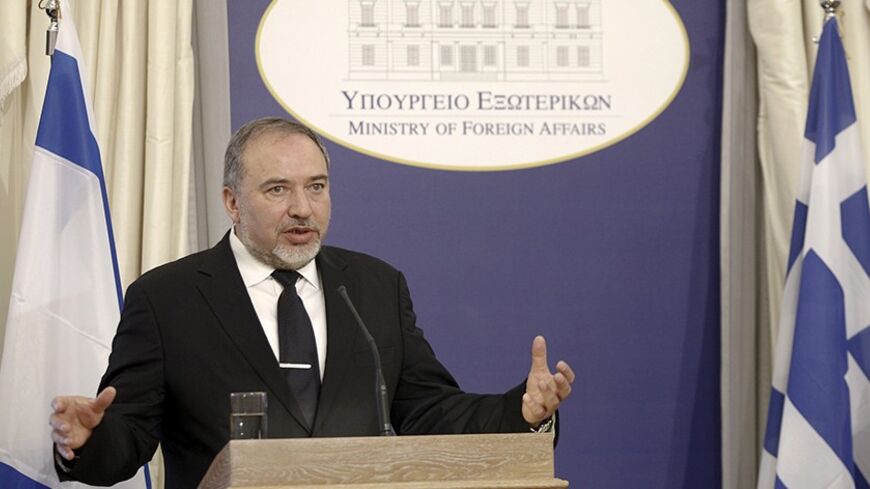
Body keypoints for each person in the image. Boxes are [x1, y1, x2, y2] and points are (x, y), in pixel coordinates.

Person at [49, 118, 575, 488]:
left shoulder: (374, 287)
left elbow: (429, 411)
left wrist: (522, 413)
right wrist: (88, 440)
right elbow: (131, 436)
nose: (303, 208)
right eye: (278, 190)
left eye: (316, 187)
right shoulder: (168, 299)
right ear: (232, 202)